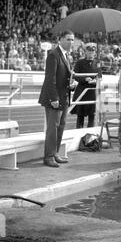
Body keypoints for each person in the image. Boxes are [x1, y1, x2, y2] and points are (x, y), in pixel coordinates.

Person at [38, 30, 75, 168]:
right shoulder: (53, 55)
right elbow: (50, 79)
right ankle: (48, 157)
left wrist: (72, 84)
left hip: (64, 97)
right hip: (54, 98)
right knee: (52, 129)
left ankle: (55, 153)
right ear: (60, 40)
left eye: (72, 40)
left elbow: (64, 77)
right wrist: (54, 98)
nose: (71, 42)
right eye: (68, 39)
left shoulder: (66, 56)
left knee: (60, 127)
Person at [71, 43, 100, 128]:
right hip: (82, 92)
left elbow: (100, 76)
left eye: (93, 52)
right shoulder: (79, 62)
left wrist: (96, 80)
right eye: (89, 51)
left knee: (92, 117)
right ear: (85, 52)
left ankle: (90, 138)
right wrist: (84, 79)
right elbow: (75, 76)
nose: (91, 53)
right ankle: (79, 137)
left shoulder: (97, 63)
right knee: (80, 117)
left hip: (92, 93)